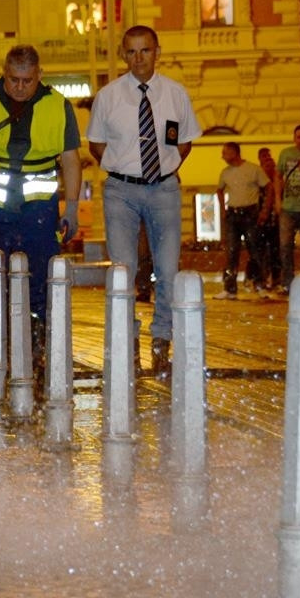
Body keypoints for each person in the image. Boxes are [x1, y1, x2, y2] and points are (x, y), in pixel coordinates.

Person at [0, 44, 82, 364]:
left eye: (27, 81)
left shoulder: (57, 106)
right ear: (3, 73)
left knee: (40, 277)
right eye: (13, 80)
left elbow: (70, 159)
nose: (20, 88)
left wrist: (73, 207)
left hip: (37, 210)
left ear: (39, 75)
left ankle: (36, 338)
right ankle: (1, 335)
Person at [87, 25, 201, 376]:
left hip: (164, 189)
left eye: (145, 50)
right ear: (124, 55)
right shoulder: (108, 96)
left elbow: (184, 142)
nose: (139, 58)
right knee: (124, 271)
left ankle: (162, 340)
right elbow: (96, 144)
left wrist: (161, 170)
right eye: (132, 51)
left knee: (167, 270)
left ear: (157, 51)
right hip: (121, 192)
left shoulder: (176, 94)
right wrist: (126, 169)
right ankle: (128, 339)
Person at [215, 141, 271, 300]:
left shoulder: (253, 169)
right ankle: (230, 288)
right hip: (233, 213)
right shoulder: (225, 172)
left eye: (225, 152)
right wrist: (223, 209)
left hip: (250, 212)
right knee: (231, 251)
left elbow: (269, 187)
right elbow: (219, 190)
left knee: (255, 250)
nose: (223, 156)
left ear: (234, 152)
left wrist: (265, 210)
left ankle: (259, 284)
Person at [275, 124, 300, 295]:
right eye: (299, 136)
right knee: (285, 246)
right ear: (294, 138)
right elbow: (277, 176)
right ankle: (288, 283)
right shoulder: (286, 153)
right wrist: (278, 199)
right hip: (288, 207)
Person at [247, 147, 280, 291]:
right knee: (257, 251)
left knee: (275, 251)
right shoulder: (257, 180)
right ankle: (257, 278)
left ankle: (274, 279)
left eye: (271, 165)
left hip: (274, 221)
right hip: (259, 220)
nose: (269, 167)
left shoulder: (277, 181)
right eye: (266, 164)